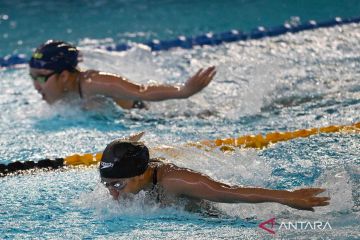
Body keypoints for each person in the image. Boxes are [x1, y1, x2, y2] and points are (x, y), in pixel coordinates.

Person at [99, 138, 330, 212]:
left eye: (117, 185)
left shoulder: (176, 180)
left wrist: (287, 197)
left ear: (140, 174)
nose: (113, 194)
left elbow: (230, 192)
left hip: (210, 220)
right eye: (107, 185)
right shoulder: (128, 177)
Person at [29, 40, 216, 109]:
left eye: (41, 77)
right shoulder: (59, 95)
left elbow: (142, 91)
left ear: (63, 76)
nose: (36, 85)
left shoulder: (95, 82)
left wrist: (184, 91)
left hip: (145, 115)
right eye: (32, 77)